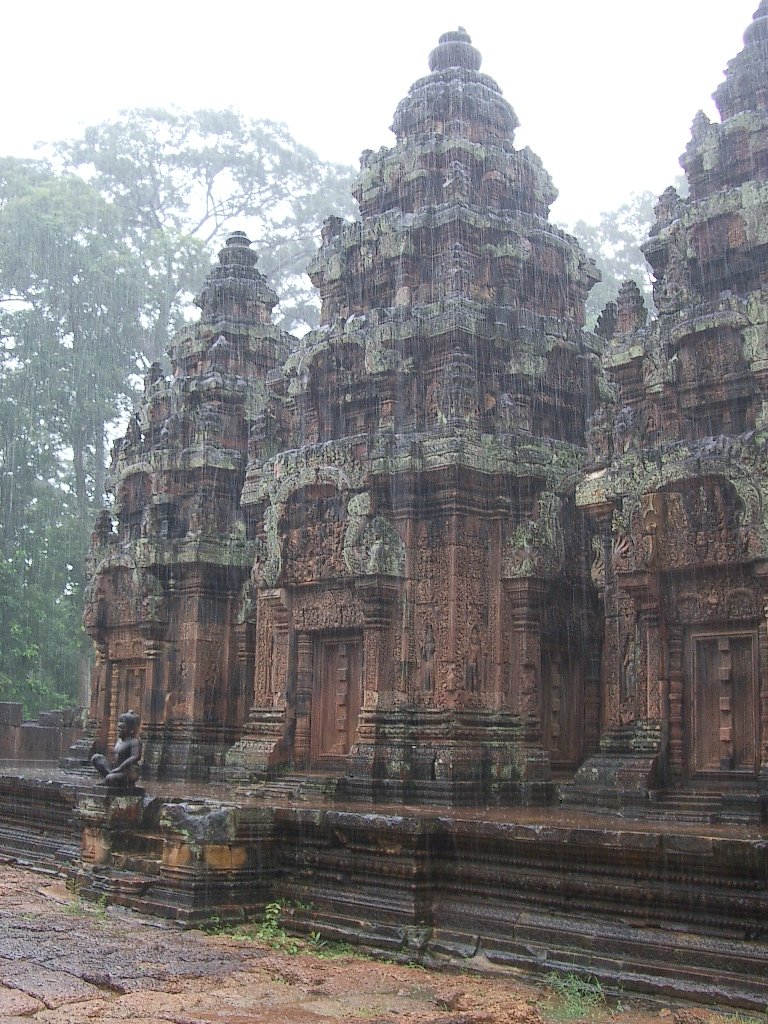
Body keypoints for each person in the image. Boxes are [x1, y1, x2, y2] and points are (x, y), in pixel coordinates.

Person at [91, 710, 143, 789]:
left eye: (122, 728)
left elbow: (135, 757)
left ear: (131, 730)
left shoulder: (135, 741)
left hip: (129, 771)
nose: (119, 730)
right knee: (96, 758)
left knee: (110, 778)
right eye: (118, 728)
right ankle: (111, 777)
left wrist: (120, 768)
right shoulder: (119, 740)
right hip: (116, 768)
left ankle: (112, 779)